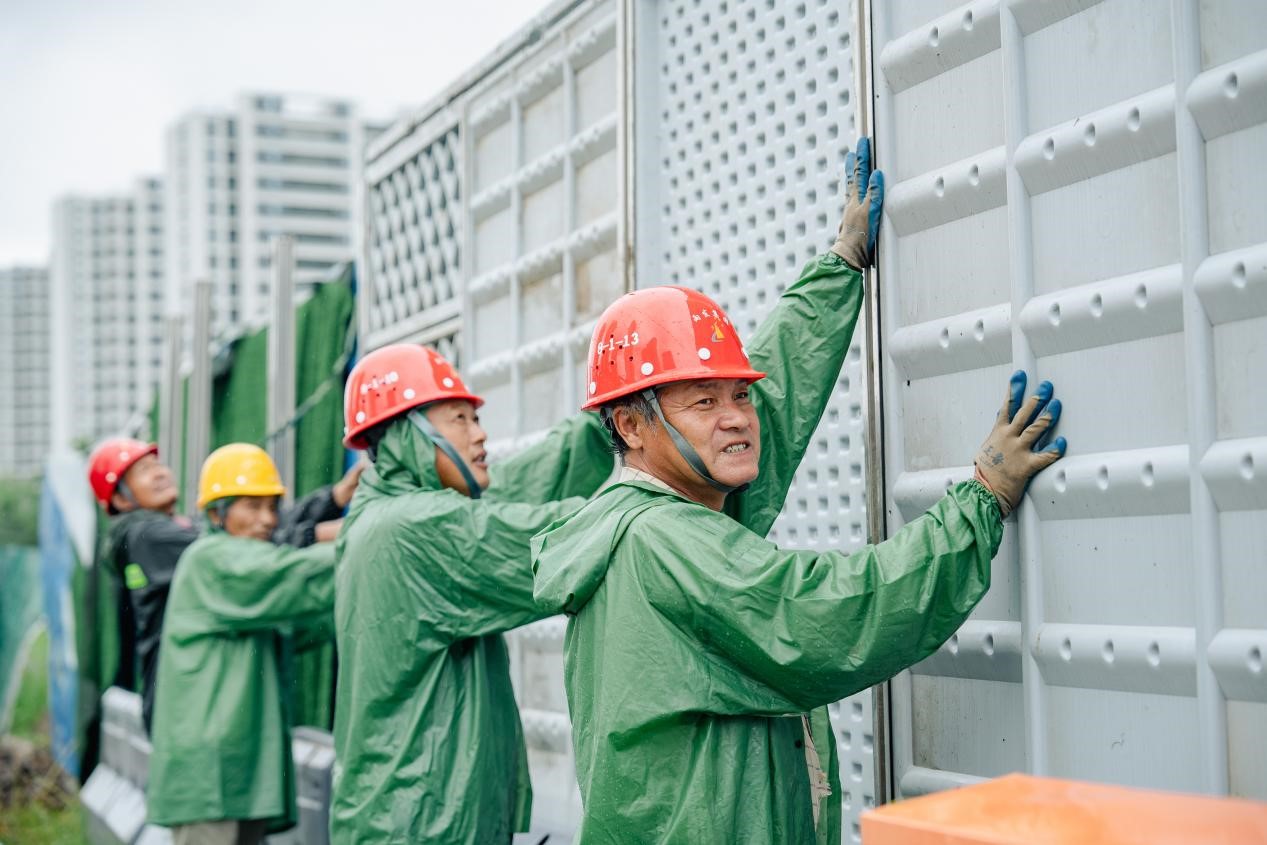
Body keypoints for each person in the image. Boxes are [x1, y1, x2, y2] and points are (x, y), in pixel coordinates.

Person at [531, 141, 1067, 843]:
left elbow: (769, 405)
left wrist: (839, 266)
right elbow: (827, 615)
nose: (734, 417)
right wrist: (978, 500)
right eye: (702, 400)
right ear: (631, 426)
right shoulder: (668, 543)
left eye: (736, 395)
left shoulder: (639, 515)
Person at [329, 344, 614, 843]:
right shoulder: (415, 528)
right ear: (405, 435)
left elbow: (522, 483)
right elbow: (575, 537)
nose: (481, 433)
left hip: (404, 816)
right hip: (423, 825)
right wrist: (657, 487)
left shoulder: (381, 514)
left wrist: (611, 414)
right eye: (460, 418)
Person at [87, 438, 362, 733]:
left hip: (194, 693)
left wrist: (334, 498)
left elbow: (254, 527)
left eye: (158, 465)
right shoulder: (146, 536)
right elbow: (239, 550)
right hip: (190, 701)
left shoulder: (168, 531)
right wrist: (318, 534)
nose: (160, 473)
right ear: (121, 499)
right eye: (143, 470)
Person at [145, 444, 341, 845]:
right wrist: (372, 539)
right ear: (217, 512)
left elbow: (301, 622)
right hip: (209, 775)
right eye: (251, 507)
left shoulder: (247, 579)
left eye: (271, 507)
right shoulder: (212, 559)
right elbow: (292, 577)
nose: (267, 520)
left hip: (240, 769)